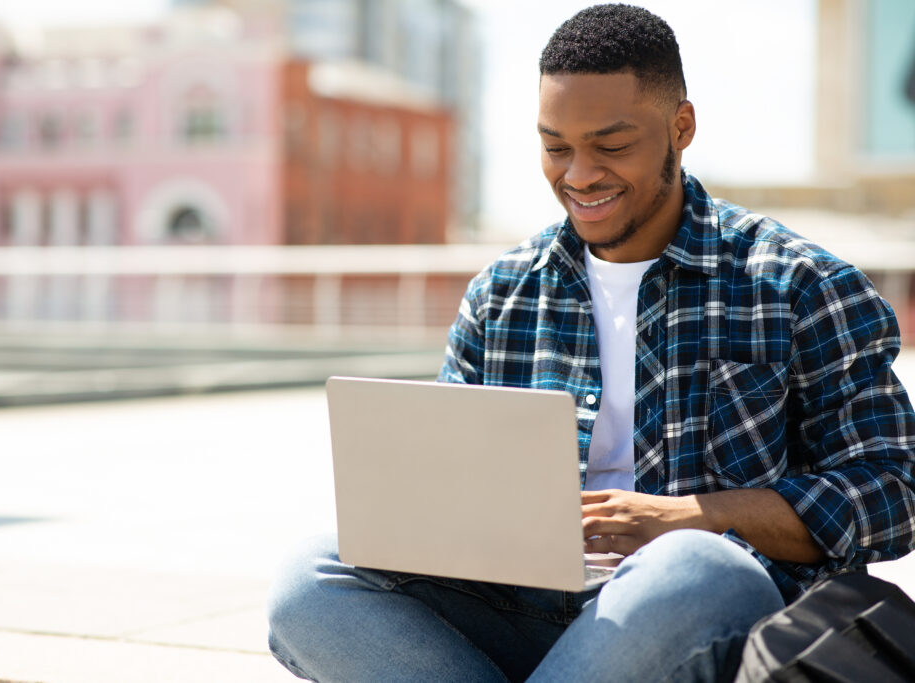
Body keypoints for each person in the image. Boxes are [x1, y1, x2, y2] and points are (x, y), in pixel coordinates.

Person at [267, 4, 915, 681]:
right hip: (533, 615)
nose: (579, 174)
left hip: (702, 615)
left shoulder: (802, 284)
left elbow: (894, 491)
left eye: (611, 145)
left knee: (694, 562)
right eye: (556, 147)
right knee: (309, 581)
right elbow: (447, 501)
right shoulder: (502, 295)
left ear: (680, 128)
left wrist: (693, 516)